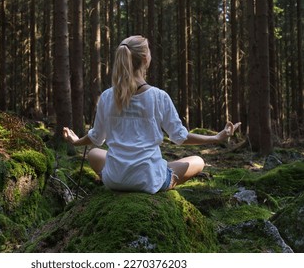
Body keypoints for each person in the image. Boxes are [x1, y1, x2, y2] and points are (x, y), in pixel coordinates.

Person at [63, 35, 241, 194]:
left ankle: (125, 181)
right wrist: (216, 138)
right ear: (145, 59)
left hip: (114, 180)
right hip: (148, 181)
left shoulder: (107, 96)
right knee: (198, 161)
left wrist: (76, 141)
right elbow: (180, 137)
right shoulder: (158, 97)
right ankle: (154, 180)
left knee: (94, 153)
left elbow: (96, 138)